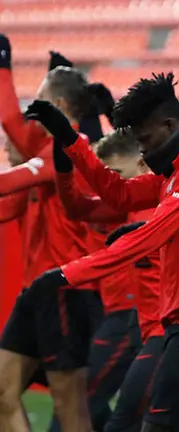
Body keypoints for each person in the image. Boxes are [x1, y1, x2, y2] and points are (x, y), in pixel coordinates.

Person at [21, 72, 179, 432]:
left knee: (151, 423)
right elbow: (121, 195)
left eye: (144, 139)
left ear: (169, 125)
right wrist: (69, 137)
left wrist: (65, 274)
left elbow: (148, 237)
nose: (141, 150)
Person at [0, 60, 102, 432]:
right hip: (36, 290)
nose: (32, 106)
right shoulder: (45, 151)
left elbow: (10, 183)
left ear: (58, 105)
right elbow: (10, 204)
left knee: (69, 407)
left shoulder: (72, 148)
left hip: (64, 287)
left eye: (40, 97)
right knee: (2, 392)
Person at [53, 129, 164, 432]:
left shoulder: (166, 205)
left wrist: (62, 276)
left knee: (100, 407)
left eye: (116, 173)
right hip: (136, 320)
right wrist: (64, 166)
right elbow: (76, 207)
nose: (110, 184)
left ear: (143, 165)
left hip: (146, 324)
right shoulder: (125, 204)